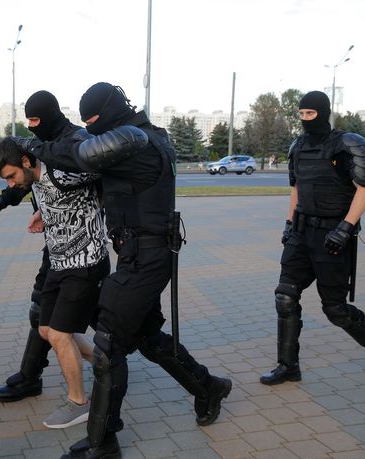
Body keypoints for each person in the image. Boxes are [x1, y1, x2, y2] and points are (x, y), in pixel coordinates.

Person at [17, 82, 232, 459]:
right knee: (147, 337)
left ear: (112, 110)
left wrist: (35, 147)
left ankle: (103, 442)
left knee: (107, 345)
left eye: (95, 121)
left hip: (147, 256)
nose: (92, 128)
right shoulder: (141, 135)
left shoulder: (135, 138)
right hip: (136, 253)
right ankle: (207, 386)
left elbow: (81, 154)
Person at [0, 90, 112, 429]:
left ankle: (80, 403)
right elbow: (45, 196)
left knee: (59, 335)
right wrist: (43, 214)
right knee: (45, 329)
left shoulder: (63, 171)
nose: (13, 184)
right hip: (58, 263)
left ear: (27, 163)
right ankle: (107, 364)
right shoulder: (35, 177)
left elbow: (98, 172)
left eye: (12, 176)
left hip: (85, 262)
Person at [260, 90, 365, 386]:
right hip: (300, 234)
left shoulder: (348, 144)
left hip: (332, 236)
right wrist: (289, 223)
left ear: (323, 112)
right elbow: (297, 189)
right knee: (285, 297)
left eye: (310, 114)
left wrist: (345, 227)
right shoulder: (298, 146)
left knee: (334, 309)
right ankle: (288, 366)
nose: (305, 119)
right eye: (301, 114)